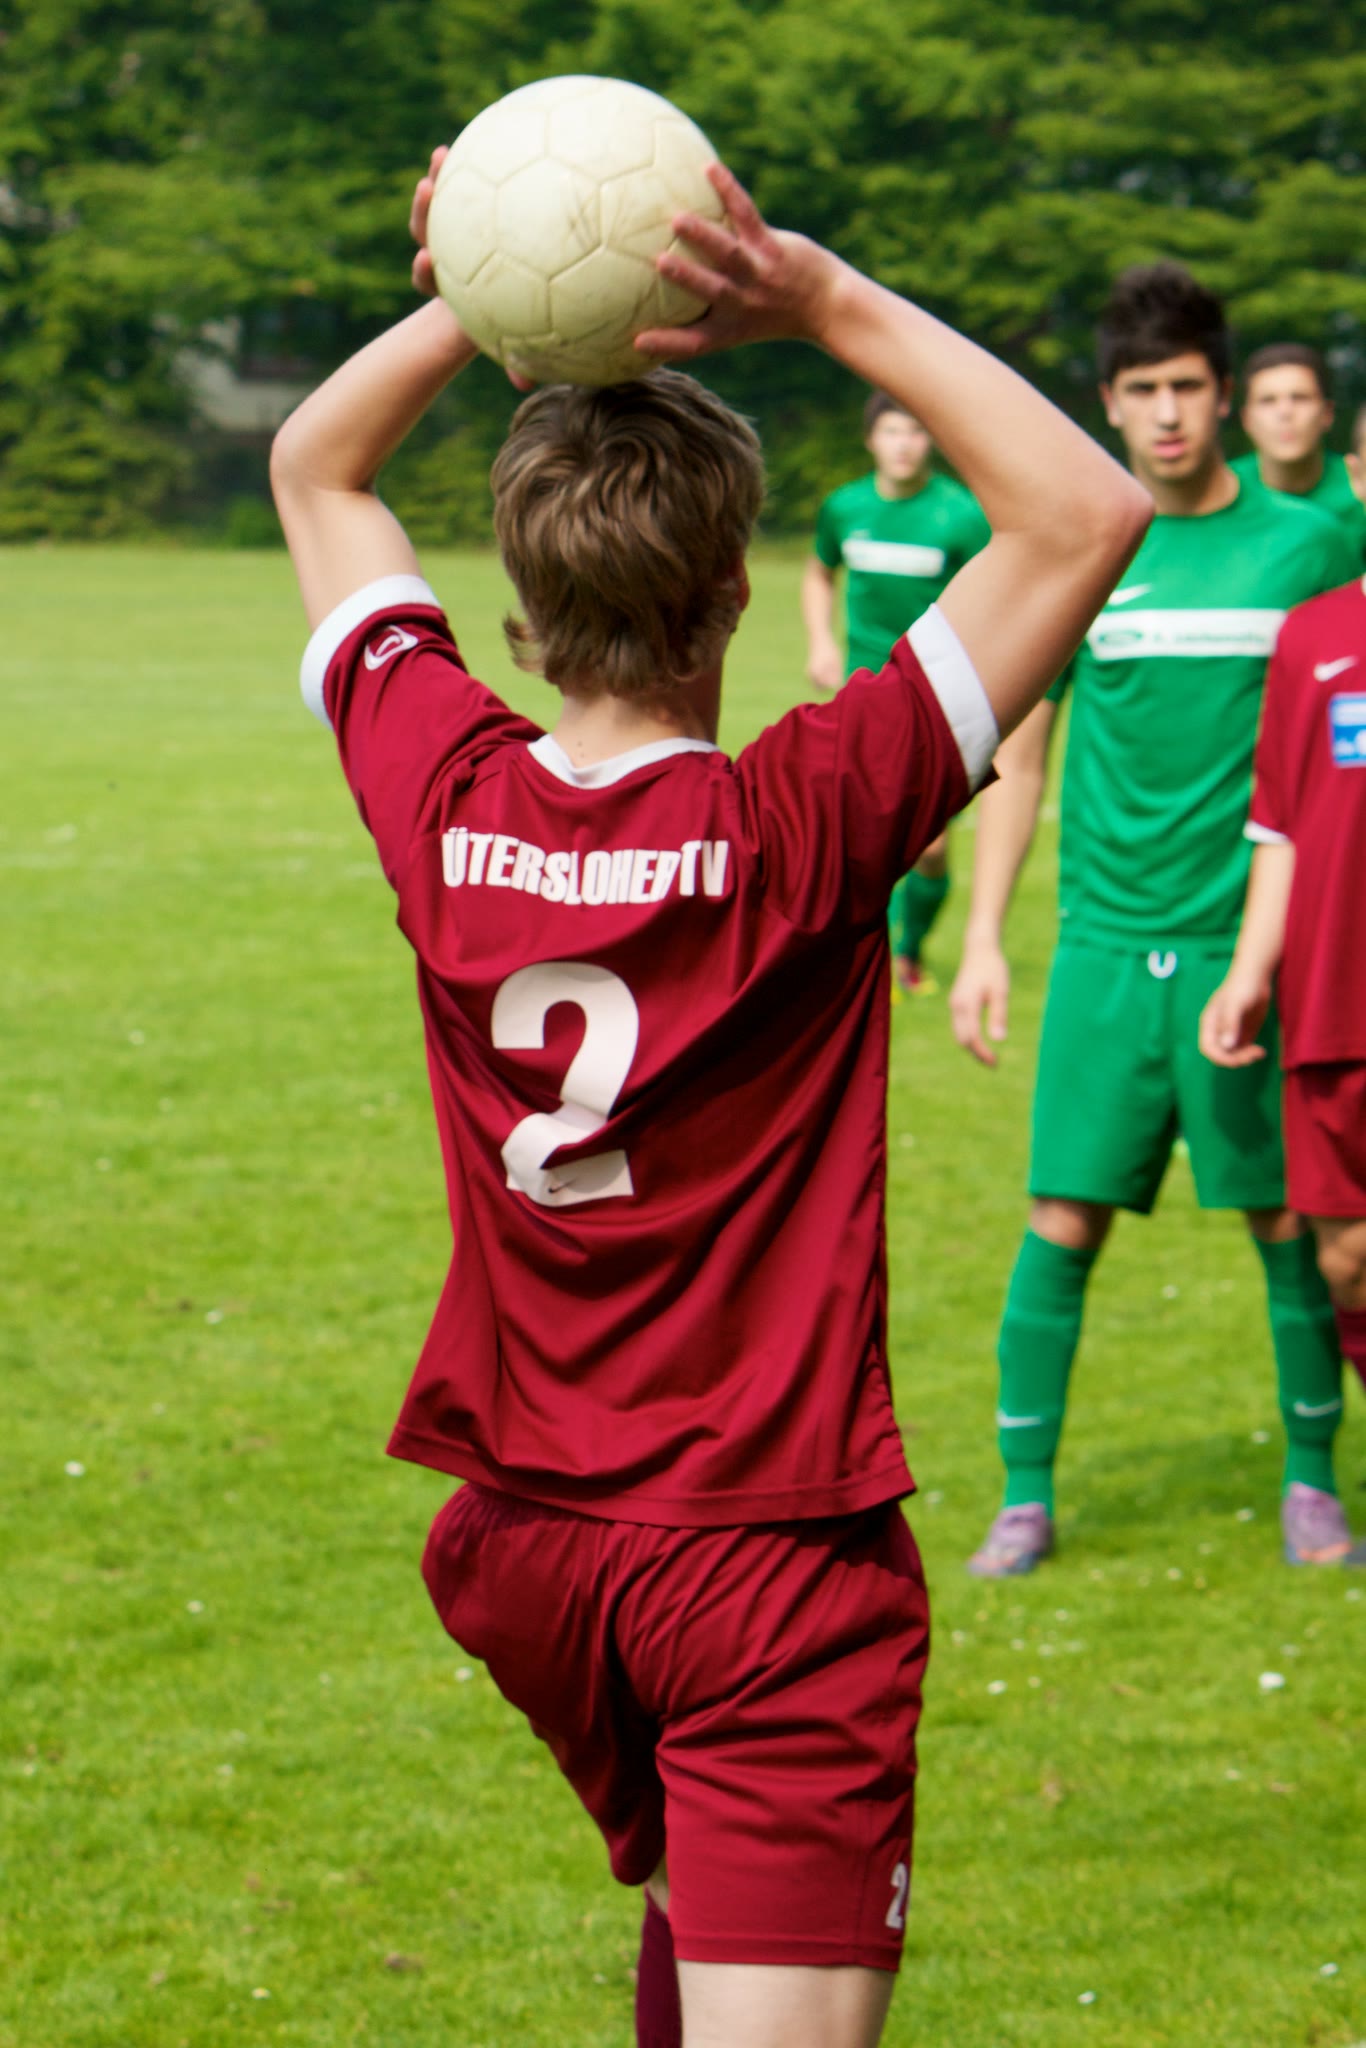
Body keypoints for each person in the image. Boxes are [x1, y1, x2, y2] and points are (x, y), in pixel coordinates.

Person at [270, 146, 1148, 2048]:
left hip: (525, 1543)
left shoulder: (443, 794)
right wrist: (818, 296)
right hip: (760, 1553)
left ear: (517, 605)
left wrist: (479, 292)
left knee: (698, 1932)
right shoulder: (807, 820)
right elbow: (1083, 508)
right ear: (737, 588)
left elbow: (317, 471)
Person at [949, 263, 1361, 1579]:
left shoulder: (1312, 544)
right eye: (1142, 390)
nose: (1167, 413)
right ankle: (1022, 1498)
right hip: (1104, 948)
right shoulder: (1082, 544)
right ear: (1109, 402)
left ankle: (1312, 1485)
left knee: (1287, 1226)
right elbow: (1018, 752)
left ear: (1223, 394)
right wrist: (980, 936)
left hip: (1257, 955)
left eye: (1187, 386)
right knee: (1059, 1219)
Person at [1200, 573, 1366, 1565]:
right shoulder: (1313, 633)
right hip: (1335, 999)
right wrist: (1250, 971)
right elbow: (1280, 825)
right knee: (1346, 1258)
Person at [803, 393, 990, 991]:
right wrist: (821, 642)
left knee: (929, 848)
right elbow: (819, 571)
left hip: (935, 697)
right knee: (851, 833)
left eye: (914, 431)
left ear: (929, 439)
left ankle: (910, 951)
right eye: (891, 431)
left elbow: (989, 599)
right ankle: (855, 958)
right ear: (871, 440)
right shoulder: (845, 507)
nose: (903, 444)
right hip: (861, 693)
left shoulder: (961, 515)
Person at [1233, 343, 1366, 562]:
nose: (1285, 412)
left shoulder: (1359, 487)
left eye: (1300, 398)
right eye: (1268, 400)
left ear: (1327, 413)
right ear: (1246, 419)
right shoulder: (1222, 491)